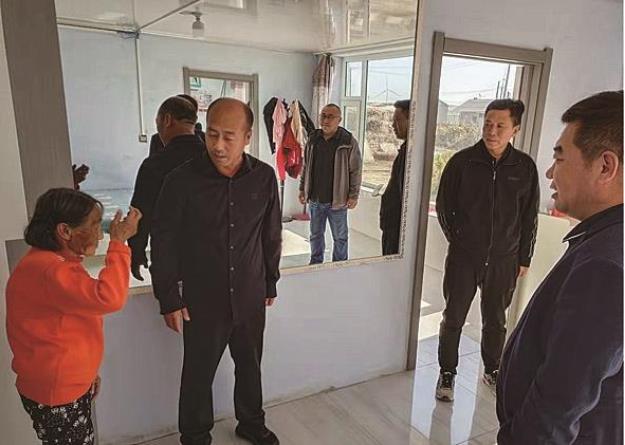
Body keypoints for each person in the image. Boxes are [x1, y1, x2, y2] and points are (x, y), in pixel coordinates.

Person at [150, 98, 282, 445]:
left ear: (247, 137)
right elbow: (163, 241)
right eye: (211, 134)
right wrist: (169, 297)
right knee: (198, 373)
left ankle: (251, 423)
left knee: (250, 365)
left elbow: (270, 234)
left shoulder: (264, 178)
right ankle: (195, 436)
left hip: (250, 292)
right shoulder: (181, 181)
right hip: (202, 298)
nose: (218, 145)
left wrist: (270, 281)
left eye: (228, 136)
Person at [497, 90, 623, 444]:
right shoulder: (603, 240)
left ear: (605, 166)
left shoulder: (607, 265)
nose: (550, 173)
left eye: (560, 157)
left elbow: (559, 406)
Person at [6, 188, 141, 444]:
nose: (99, 234)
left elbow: (65, 328)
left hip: (60, 385)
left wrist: (87, 375)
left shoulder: (47, 262)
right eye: (94, 225)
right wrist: (119, 243)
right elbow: (109, 298)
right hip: (57, 392)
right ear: (65, 231)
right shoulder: (51, 271)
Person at [435, 98, 539, 401]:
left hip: (505, 259)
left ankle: (493, 369)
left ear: (515, 129)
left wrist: (524, 257)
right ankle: (447, 372)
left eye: (500, 126)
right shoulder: (462, 162)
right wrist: (459, 241)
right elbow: (444, 207)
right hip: (464, 258)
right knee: (453, 317)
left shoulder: (524, 167)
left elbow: (529, 217)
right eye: (488, 124)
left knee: (496, 320)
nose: (492, 131)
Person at [129, 96, 204, 281]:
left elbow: (140, 213)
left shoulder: (155, 165)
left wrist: (136, 251)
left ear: (167, 119)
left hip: (171, 258)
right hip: (213, 257)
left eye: (158, 122)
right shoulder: (213, 160)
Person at [298, 103, 362, 264]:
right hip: (315, 199)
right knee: (315, 235)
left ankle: (339, 266)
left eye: (330, 117)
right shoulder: (313, 139)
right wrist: (302, 188)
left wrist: (354, 195)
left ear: (339, 120)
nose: (326, 120)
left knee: (340, 237)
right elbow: (306, 166)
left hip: (338, 201)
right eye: (323, 116)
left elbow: (355, 170)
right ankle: (316, 263)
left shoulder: (348, 142)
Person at [380, 99, 410, 255]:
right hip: (392, 226)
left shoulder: (411, 157)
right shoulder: (405, 151)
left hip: (398, 230)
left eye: (397, 120)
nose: (392, 125)